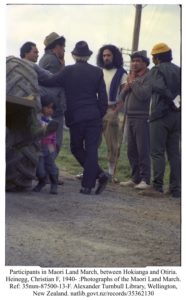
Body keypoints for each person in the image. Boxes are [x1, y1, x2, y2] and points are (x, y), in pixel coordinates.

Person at [39, 41, 109, 195]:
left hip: (76, 117)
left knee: (76, 148)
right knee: (91, 150)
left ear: (73, 55)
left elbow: (50, 81)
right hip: (93, 116)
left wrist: (34, 75)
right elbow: (103, 98)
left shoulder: (68, 71)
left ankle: (98, 176)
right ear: (89, 56)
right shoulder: (97, 72)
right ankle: (90, 184)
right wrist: (99, 114)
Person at [141, 43, 181, 198]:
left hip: (160, 115)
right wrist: (178, 103)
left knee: (157, 152)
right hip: (177, 116)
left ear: (157, 58)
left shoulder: (156, 70)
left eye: (153, 57)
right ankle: (176, 189)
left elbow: (158, 88)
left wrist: (171, 100)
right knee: (174, 154)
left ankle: (157, 187)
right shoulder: (179, 70)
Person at [119, 50, 151, 190]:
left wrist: (133, 84)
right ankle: (135, 178)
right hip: (129, 116)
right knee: (131, 150)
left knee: (142, 149)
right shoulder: (132, 77)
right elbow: (121, 97)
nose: (134, 63)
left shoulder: (149, 77)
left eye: (138, 61)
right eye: (133, 61)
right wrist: (126, 88)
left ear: (145, 63)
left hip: (142, 117)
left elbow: (144, 95)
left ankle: (145, 179)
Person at [96, 44, 127, 180]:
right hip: (96, 110)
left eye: (108, 55)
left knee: (112, 143)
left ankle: (110, 173)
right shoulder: (98, 71)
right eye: (104, 55)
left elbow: (124, 94)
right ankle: (91, 170)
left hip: (111, 110)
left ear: (114, 56)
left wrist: (115, 111)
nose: (106, 58)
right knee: (92, 142)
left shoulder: (121, 73)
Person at [39, 32, 66, 157]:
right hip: (54, 107)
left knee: (45, 141)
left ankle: (44, 169)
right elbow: (56, 83)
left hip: (46, 106)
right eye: (63, 46)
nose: (64, 50)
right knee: (54, 143)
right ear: (56, 47)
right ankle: (49, 170)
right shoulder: (53, 61)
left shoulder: (44, 59)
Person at [33, 95, 59, 194]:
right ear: (41, 106)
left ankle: (54, 184)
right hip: (39, 147)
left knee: (50, 165)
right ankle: (42, 181)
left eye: (52, 108)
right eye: (47, 107)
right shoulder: (37, 119)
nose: (49, 110)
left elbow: (53, 136)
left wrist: (53, 148)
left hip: (49, 146)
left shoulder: (52, 121)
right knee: (40, 169)